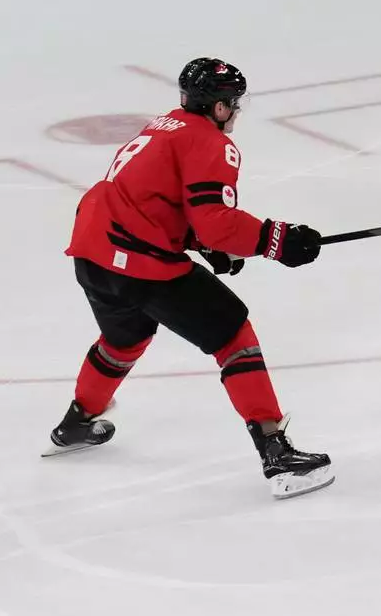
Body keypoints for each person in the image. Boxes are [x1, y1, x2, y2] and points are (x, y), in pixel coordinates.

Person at [46, 57, 334, 500]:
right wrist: (278, 240)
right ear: (219, 108)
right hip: (140, 262)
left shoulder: (163, 127)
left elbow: (155, 201)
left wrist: (205, 245)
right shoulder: (212, 143)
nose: (236, 111)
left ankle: (76, 422)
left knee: (125, 337)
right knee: (233, 333)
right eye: (233, 103)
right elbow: (216, 221)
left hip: (92, 253)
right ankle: (276, 454)